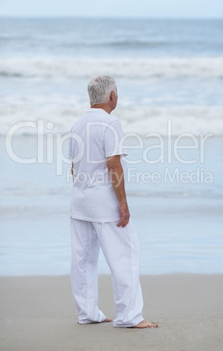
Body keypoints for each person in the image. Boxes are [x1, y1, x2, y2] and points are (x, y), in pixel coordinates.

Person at [68, 75, 157, 329]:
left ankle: (87, 313)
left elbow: (74, 167)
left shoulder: (77, 124)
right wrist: (123, 204)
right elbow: (114, 165)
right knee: (125, 255)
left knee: (83, 260)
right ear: (112, 96)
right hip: (104, 204)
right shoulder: (110, 123)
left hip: (80, 202)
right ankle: (129, 316)